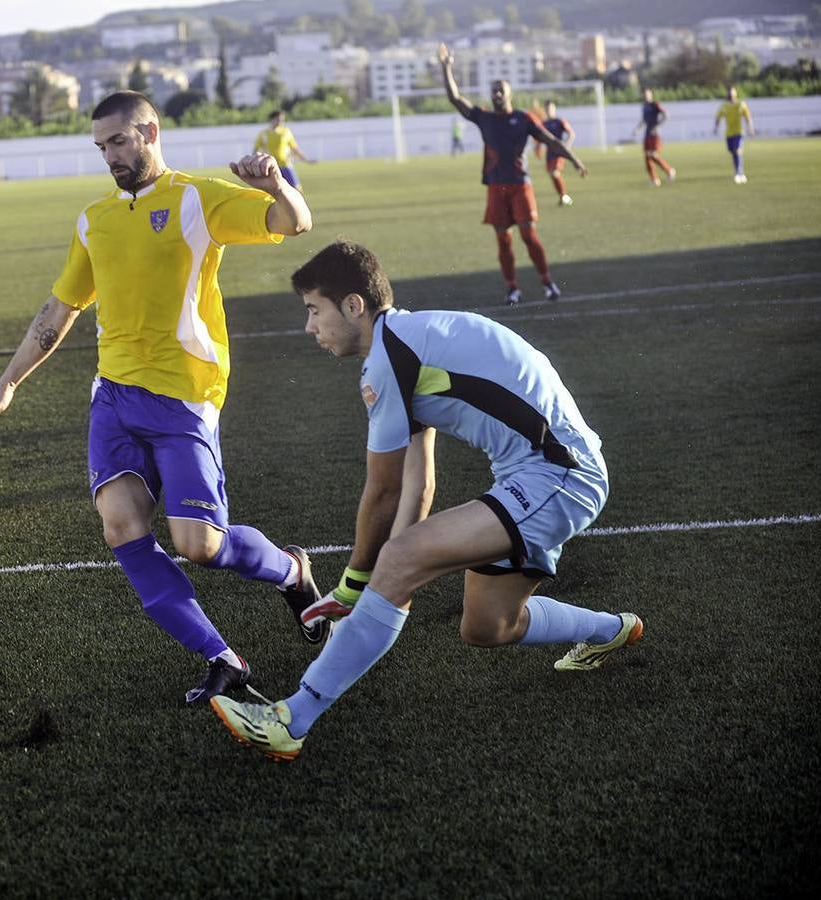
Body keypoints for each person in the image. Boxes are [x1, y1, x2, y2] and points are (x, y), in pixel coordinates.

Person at [210, 240, 644, 761]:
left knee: (398, 558)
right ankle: (614, 629)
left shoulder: (391, 357)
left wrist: (360, 581)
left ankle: (290, 718)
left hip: (559, 475)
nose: (309, 328)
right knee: (488, 627)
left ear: (354, 306)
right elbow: (418, 487)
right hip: (538, 476)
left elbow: (385, 491)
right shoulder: (405, 346)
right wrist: (383, 578)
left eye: (313, 310)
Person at [0, 91, 323, 705]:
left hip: (185, 397)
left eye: (118, 142)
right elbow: (59, 311)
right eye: (101, 145)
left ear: (150, 132)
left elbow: (295, 222)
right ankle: (222, 657)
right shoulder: (93, 219)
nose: (109, 155)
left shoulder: (197, 197)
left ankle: (292, 571)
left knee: (200, 545)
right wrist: (7, 383)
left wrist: (274, 184)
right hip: (113, 396)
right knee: (122, 527)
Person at [437, 43, 586, 306]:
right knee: (503, 240)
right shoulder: (483, 117)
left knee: (529, 235)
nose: (496, 93)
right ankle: (512, 289)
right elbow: (455, 99)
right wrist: (446, 68)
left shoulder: (523, 119)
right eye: (493, 90)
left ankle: (547, 282)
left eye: (500, 89)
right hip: (496, 187)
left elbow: (550, 140)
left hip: (520, 185)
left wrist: (573, 159)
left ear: (509, 93)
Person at [254, 110, 315, 191]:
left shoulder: (286, 132)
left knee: (297, 189)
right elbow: (256, 150)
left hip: (285, 165)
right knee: (272, 192)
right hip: (271, 167)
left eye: (282, 120)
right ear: (272, 119)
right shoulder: (263, 134)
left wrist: (306, 160)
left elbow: (295, 149)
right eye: (279, 119)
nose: (281, 122)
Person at [631, 88, 676, 187]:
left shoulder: (655, 104)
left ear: (651, 95)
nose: (646, 96)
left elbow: (666, 115)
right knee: (647, 157)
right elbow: (643, 120)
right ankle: (654, 180)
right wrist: (637, 129)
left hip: (655, 134)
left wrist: (657, 126)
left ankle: (669, 170)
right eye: (644, 94)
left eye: (647, 94)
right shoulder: (643, 106)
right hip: (647, 134)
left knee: (653, 155)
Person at [538, 99, 576, 205]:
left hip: (559, 151)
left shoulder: (559, 121)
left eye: (550, 108)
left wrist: (567, 145)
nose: (549, 110)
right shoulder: (543, 123)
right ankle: (564, 197)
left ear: (554, 109)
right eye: (547, 108)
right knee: (552, 174)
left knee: (555, 173)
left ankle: (564, 197)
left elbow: (571, 134)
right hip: (549, 152)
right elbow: (540, 138)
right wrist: (538, 147)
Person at [714, 86, 754, 184]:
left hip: (739, 132)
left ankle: (740, 174)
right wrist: (716, 127)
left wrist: (750, 129)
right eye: (729, 94)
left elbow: (748, 117)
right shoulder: (724, 106)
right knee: (733, 152)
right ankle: (739, 172)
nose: (731, 95)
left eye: (732, 93)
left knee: (737, 151)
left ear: (735, 94)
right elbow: (718, 117)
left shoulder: (741, 104)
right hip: (729, 134)